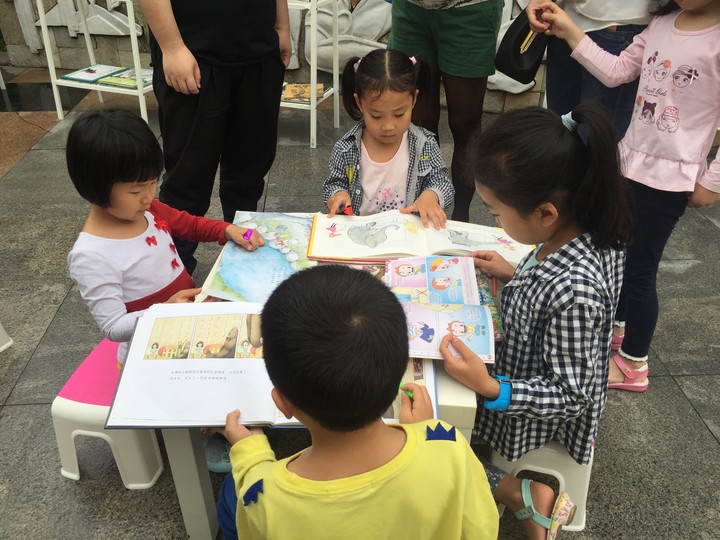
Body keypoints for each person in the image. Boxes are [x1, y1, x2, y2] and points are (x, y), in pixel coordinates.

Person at [439, 104, 632, 539]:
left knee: (427, 436)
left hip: (529, 408)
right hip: (520, 367)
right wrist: (514, 272)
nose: (495, 221)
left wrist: (492, 388)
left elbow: (571, 394)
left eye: (496, 213)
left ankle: (519, 493)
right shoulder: (579, 230)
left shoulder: (577, 291)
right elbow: (550, 294)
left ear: (546, 213)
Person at [215, 265, 499, 540]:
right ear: (398, 373)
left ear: (283, 403)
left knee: (230, 492)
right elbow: (480, 529)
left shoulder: (263, 497)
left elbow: (255, 500)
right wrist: (423, 431)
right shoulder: (449, 447)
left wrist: (250, 454)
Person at [66, 109, 264, 471]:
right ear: (94, 186)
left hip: (187, 320)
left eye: (153, 182)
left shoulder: (147, 210)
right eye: (135, 189)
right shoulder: (91, 255)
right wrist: (164, 312)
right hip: (151, 350)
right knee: (205, 382)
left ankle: (230, 416)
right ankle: (201, 434)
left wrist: (227, 230)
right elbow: (113, 327)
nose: (148, 195)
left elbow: (188, 224)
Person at [538, 0, 720, 391]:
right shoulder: (663, 22)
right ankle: (618, 331)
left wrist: (712, 182)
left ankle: (635, 363)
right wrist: (570, 31)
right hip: (630, 162)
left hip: (670, 177)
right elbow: (617, 71)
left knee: (639, 270)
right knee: (616, 253)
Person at [139, 0, 290, 274]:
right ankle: (173, 275)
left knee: (248, 177)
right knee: (187, 182)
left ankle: (243, 265)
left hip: (259, 51)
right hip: (192, 55)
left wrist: (282, 26)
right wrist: (172, 46)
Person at [387, 0, 503, 222]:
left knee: (465, 125)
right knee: (417, 124)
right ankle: (423, 212)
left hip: (470, 9)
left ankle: (461, 219)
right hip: (410, 9)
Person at [322, 48, 454, 230]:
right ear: (359, 103)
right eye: (376, 116)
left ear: (413, 99)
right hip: (361, 234)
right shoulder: (346, 148)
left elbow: (442, 182)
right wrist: (338, 194)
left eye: (399, 114)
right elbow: (333, 183)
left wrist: (432, 195)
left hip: (409, 235)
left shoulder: (425, 144)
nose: (388, 126)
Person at [526, 0, 652, 138]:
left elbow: (616, 73)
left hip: (616, 21)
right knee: (558, 130)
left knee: (592, 139)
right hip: (565, 16)